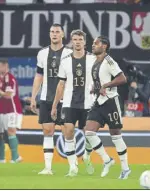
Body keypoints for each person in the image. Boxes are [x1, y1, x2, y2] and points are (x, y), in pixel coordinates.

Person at [51, 29, 95, 176]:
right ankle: (72, 167)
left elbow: (100, 78)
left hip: (88, 103)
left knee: (88, 134)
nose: (77, 42)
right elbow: (60, 84)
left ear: (85, 42)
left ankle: (87, 157)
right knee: (68, 131)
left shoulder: (93, 59)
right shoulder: (65, 61)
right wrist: (55, 105)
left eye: (80, 40)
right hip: (69, 102)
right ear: (72, 41)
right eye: (75, 39)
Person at [85, 36, 131, 179]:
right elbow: (100, 80)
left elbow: (122, 78)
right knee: (89, 133)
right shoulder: (95, 61)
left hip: (111, 102)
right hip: (99, 102)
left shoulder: (109, 61)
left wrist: (106, 85)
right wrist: (96, 87)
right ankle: (107, 160)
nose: (93, 45)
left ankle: (125, 168)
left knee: (116, 136)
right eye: (93, 43)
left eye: (96, 43)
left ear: (104, 46)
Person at [30, 23, 73, 175]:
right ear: (49, 34)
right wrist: (33, 96)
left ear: (62, 34)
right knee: (48, 131)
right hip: (46, 98)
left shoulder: (70, 52)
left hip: (66, 99)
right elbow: (39, 76)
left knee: (68, 132)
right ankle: (48, 168)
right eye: (52, 32)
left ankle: (72, 167)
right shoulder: (42, 53)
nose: (54, 34)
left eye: (57, 32)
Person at [0, 58, 23, 163]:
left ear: (5, 66)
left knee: (11, 132)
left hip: (11, 110)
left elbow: (8, 95)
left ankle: (15, 157)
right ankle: (1, 158)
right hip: (1, 110)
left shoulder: (10, 78)